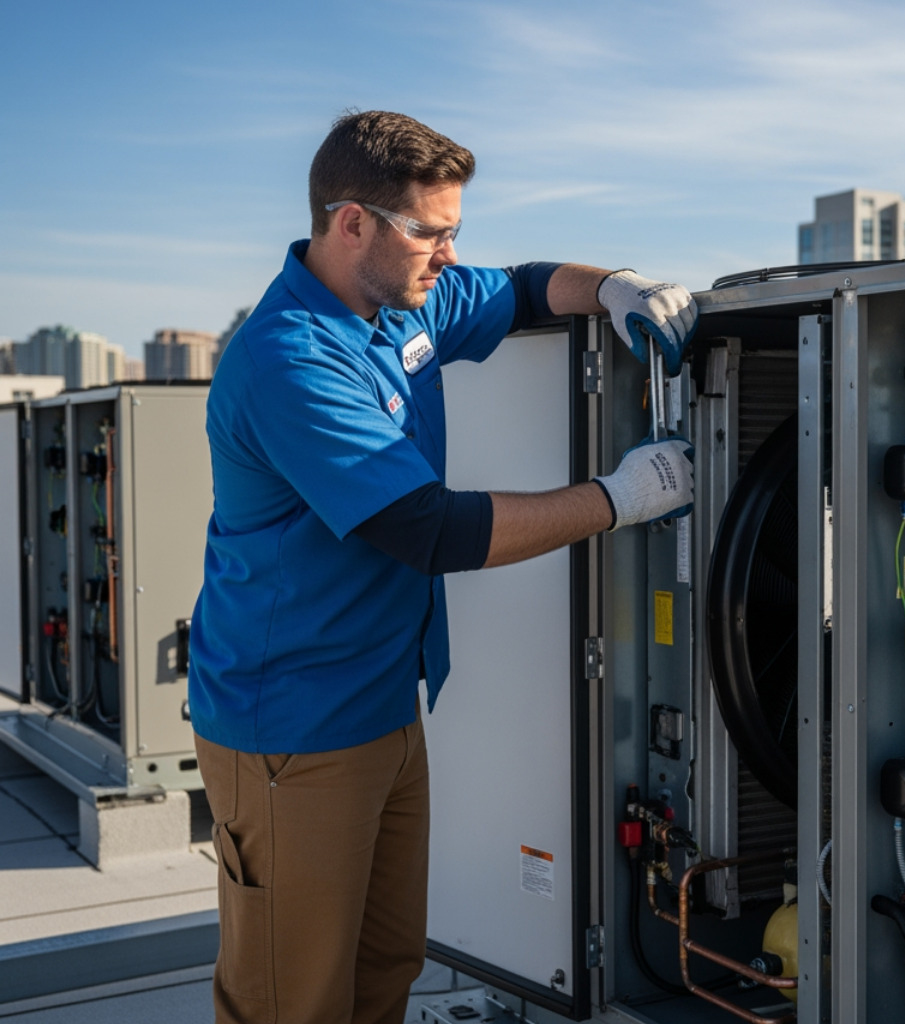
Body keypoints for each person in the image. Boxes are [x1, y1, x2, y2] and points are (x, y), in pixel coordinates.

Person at [187, 110, 696, 1024]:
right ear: (351, 223)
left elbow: (532, 289)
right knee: (290, 998)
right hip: (290, 730)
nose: (450, 254)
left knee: (385, 965)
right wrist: (621, 497)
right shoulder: (289, 358)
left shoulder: (396, 303)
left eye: (454, 230)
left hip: (384, 704)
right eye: (432, 231)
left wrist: (615, 286)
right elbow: (426, 531)